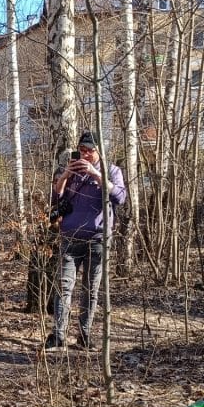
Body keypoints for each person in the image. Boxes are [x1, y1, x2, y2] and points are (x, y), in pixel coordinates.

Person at [44, 131, 127, 351]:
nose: (85, 154)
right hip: (70, 238)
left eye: (89, 150)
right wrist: (64, 176)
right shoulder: (72, 171)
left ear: (99, 150)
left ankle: (84, 335)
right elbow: (55, 199)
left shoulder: (111, 171)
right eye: (82, 150)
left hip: (97, 239)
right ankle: (58, 336)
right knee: (63, 287)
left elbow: (119, 197)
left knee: (90, 289)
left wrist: (95, 174)